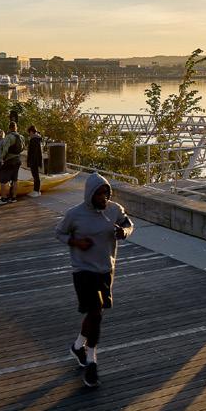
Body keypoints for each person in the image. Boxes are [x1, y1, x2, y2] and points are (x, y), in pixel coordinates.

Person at [55, 172, 134, 388]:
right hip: (83, 270)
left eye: (106, 193)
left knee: (94, 314)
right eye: (99, 194)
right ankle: (91, 362)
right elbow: (59, 233)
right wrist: (76, 242)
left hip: (106, 269)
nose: (103, 198)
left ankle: (78, 346)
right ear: (89, 194)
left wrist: (124, 232)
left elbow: (128, 224)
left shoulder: (114, 209)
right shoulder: (75, 214)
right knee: (96, 312)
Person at [0, 122, 24, 203]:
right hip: (18, 159)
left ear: (9, 128)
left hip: (9, 160)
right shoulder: (21, 137)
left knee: (3, 180)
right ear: (16, 128)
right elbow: (23, 148)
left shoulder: (9, 137)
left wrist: (2, 159)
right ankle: (14, 197)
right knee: (15, 180)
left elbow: (5, 150)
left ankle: (4, 198)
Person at [27, 125, 43, 198]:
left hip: (34, 160)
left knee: (35, 175)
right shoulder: (37, 139)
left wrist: (31, 161)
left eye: (29, 133)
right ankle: (36, 190)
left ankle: (36, 191)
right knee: (35, 175)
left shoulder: (34, 139)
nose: (29, 134)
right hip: (36, 160)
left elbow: (33, 152)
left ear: (31, 132)